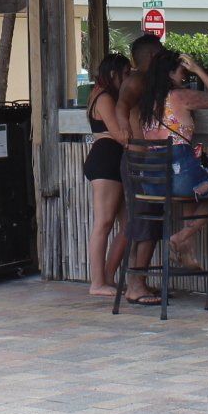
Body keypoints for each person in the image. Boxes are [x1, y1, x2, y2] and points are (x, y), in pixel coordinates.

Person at [121, 49, 208, 304]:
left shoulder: (147, 102)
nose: (185, 75)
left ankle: (185, 246)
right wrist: (199, 69)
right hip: (180, 175)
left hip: (153, 182)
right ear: (171, 73)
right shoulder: (180, 96)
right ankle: (181, 237)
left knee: (195, 194)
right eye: (182, 71)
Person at [82, 54, 131, 298]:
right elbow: (119, 134)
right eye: (126, 73)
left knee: (128, 224)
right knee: (103, 222)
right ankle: (97, 282)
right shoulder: (104, 97)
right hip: (106, 159)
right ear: (114, 74)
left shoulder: (101, 94)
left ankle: (109, 277)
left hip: (112, 160)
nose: (129, 78)